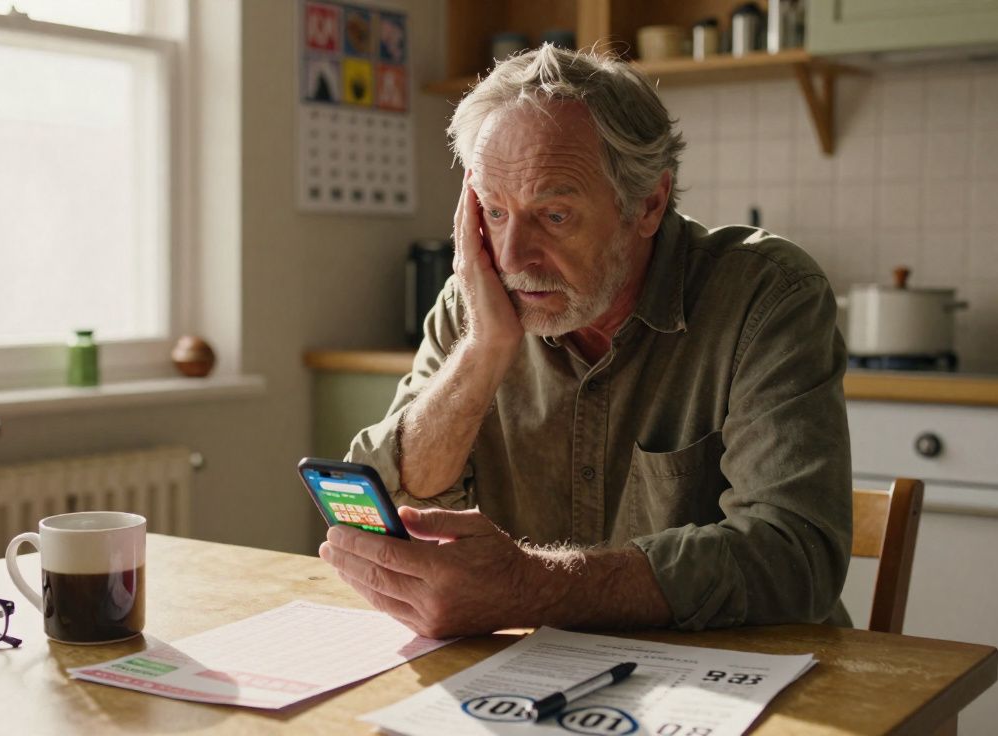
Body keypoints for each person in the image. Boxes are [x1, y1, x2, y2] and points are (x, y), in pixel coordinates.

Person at [318, 44, 852, 639]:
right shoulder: (478, 303)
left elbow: (795, 559)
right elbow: (381, 506)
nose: (513, 257)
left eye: (555, 215)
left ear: (648, 203)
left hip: (747, 687)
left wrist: (530, 588)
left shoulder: (767, 297)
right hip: (537, 685)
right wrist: (485, 349)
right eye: (494, 213)